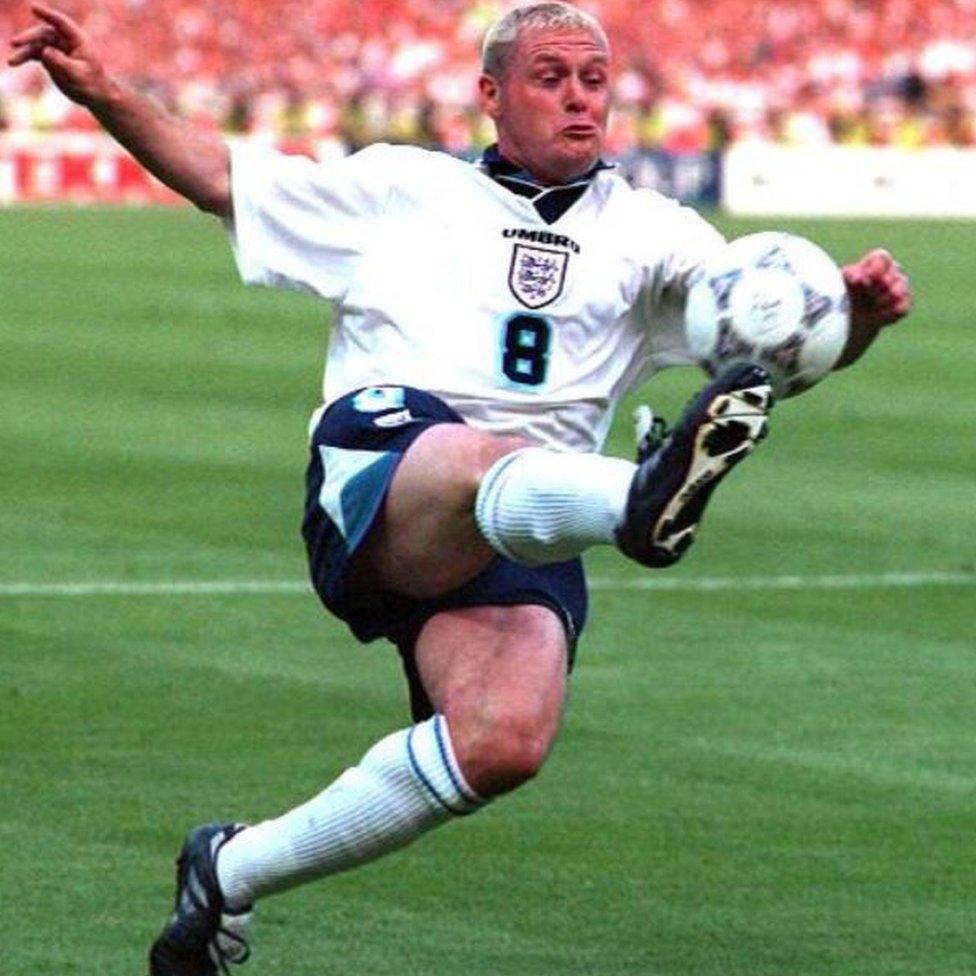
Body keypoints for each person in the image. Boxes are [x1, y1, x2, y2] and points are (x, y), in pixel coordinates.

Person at [9, 3, 912, 974]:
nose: (578, 97)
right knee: (481, 455)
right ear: (490, 94)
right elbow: (219, 177)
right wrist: (100, 88)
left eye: (593, 80)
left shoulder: (657, 236)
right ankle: (637, 499)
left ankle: (229, 872)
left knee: (504, 742)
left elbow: (765, 355)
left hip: (527, 524)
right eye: (551, 76)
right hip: (385, 465)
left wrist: (850, 324)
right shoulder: (401, 187)